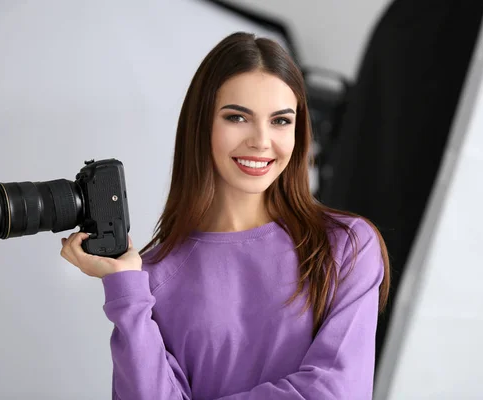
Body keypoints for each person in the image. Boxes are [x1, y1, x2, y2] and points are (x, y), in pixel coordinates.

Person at [59, 32, 391, 400]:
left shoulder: (346, 246)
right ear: (202, 126)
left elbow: (334, 393)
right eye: (237, 117)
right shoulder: (147, 280)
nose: (261, 141)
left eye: (281, 121)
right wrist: (125, 292)